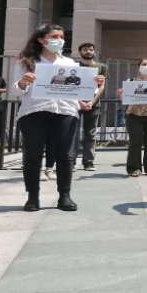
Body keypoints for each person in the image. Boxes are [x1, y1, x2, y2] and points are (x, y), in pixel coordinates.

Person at [12, 24, 104, 212]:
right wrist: (22, 82)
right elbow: (16, 90)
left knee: (66, 155)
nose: (59, 40)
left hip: (65, 112)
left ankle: (64, 196)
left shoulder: (70, 64)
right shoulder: (27, 62)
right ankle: (32, 197)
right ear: (41, 39)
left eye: (62, 36)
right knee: (32, 155)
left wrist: (94, 85)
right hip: (34, 112)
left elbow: (81, 91)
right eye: (54, 36)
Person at [123, 59, 147, 177]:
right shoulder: (130, 81)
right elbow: (125, 97)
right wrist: (121, 94)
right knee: (135, 142)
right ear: (138, 66)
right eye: (143, 64)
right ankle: (134, 168)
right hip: (134, 115)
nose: (146, 66)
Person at [76, 42, 107, 171]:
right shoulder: (74, 66)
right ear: (80, 52)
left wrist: (92, 102)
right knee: (72, 133)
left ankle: (88, 162)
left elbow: (102, 86)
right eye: (85, 49)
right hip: (74, 104)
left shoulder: (102, 67)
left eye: (91, 49)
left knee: (90, 134)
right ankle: (70, 161)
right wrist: (79, 102)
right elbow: (70, 87)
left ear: (94, 52)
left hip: (93, 104)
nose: (88, 51)